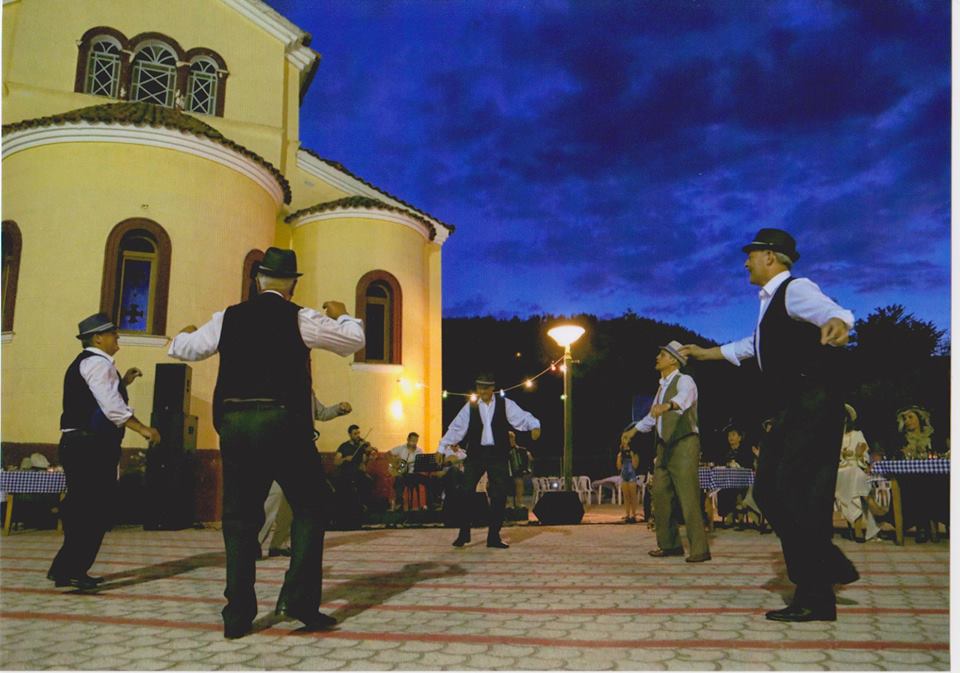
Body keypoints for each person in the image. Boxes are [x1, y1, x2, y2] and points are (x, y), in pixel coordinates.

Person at [167, 246, 364, 638]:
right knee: (311, 506)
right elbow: (352, 341)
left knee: (239, 518)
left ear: (257, 279)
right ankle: (299, 602)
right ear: (292, 285)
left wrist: (185, 333)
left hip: (236, 424)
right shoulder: (301, 317)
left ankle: (237, 616)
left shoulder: (227, 317)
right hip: (283, 423)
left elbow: (181, 348)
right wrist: (342, 313)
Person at [681, 228, 856, 622]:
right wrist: (705, 353)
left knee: (793, 493)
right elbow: (752, 346)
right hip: (795, 407)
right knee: (772, 491)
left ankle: (816, 592)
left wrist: (838, 323)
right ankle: (824, 571)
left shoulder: (795, 289)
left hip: (813, 403)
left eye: (751, 254)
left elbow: (832, 310)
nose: (746, 262)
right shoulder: (770, 305)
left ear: (771, 257)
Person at [49, 313, 161, 589]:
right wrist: (143, 428)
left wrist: (124, 382)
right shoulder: (98, 364)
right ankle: (74, 569)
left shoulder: (87, 363)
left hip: (78, 444)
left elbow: (97, 397)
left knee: (82, 506)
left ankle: (64, 569)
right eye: (113, 334)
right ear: (98, 338)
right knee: (95, 509)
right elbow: (112, 407)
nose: (117, 337)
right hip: (91, 446)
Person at [621, 341, 710, 563]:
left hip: (684, 443)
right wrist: (633, 431)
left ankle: (700, 549)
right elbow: (652, 417)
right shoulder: (661, 387)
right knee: (660, 495)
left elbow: (684, 398)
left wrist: (668, 406)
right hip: (664, 446)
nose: (657, 358)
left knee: (688, 495)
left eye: (662, 354)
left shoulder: (684, 380)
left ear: (673, 359)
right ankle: (670, 544)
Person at [438, 373, 541, 548]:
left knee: (499, 495)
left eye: (485, 388)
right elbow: (456, 428)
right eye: (479, 388)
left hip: (497, 454)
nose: (482, 391)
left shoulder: (504, 404)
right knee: (465, 491)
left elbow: (521, 416)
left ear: (492, 388)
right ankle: (464, 533)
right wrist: (442, 447)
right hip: (476, 454)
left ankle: (493, 536)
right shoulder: (470, 407)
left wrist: (535, 425)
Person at [258, 395, 352, 558]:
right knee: (275, 495)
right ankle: (255, 543)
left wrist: (338, 409)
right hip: (278, 446)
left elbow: (321, 413)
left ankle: (278, 544)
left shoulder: (308, 392)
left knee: (292, 500)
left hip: (301, 448)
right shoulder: (277, 388)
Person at [894, 405, 946, 543]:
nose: (907, 421)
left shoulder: (932, 437)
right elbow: (896, 457)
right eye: (905, 418)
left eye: (910, 417)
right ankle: (922, 526)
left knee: (935, 484)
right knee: (917, 484)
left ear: (919, 419)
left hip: (934, 477)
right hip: (909, 478)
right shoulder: (901, 439)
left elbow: (941, 454)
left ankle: (939, 521)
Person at [835, 404, 878, 543]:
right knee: (854, 475)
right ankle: (871, 503)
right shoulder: (834, 436)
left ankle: (858, 529)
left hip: (856, 468)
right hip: (840, 470)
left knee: (856, 475)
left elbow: (865, 457)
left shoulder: (858, 434)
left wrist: (859, 455)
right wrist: (842, 455)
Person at [334, 424, 378, 519]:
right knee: (346, 486)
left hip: (358, 473)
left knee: (368, 481)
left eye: (358, 433)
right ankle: (352, 509)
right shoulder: (344, 446)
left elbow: (366, 459)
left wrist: (371, 455)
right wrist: (345, 458)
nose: (358, 435)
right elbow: (336, 462)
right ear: (349, 434)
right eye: (355, 434)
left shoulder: (362, 446)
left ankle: (364, 507)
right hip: (346, 473)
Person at [388, 432, 426, 511]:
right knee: (399, 479)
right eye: (412, 440)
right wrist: (395, 461)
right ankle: (399, 503)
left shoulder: (419, 451)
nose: (414, 443)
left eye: (416, 441)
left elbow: (421, 465)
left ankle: (430, 504)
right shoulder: (401, 448)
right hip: (403, 474)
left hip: (414, 475)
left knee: (428, 480)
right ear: (408, 439)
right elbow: (388, 454)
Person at [508, 430, 534, 508]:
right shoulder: (504, 450)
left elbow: (529, 459)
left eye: (511, 438)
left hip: (516, 473)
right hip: (505, 472)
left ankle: (519, 502)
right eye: (509, 438)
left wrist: (528, 456)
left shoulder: (520, 450)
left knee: (519, 482)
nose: (510, 440)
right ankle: (506, 504)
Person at [616, 442, 641, 523]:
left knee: (633, 496)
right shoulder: (621, 455)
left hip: (632, 476)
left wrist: (632, 456)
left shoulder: (634, 454)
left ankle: (633, 514)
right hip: (624, 476)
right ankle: (627, 514)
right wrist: (619, 457)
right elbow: (619, 467)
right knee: (626, 497)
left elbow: (635, 466)